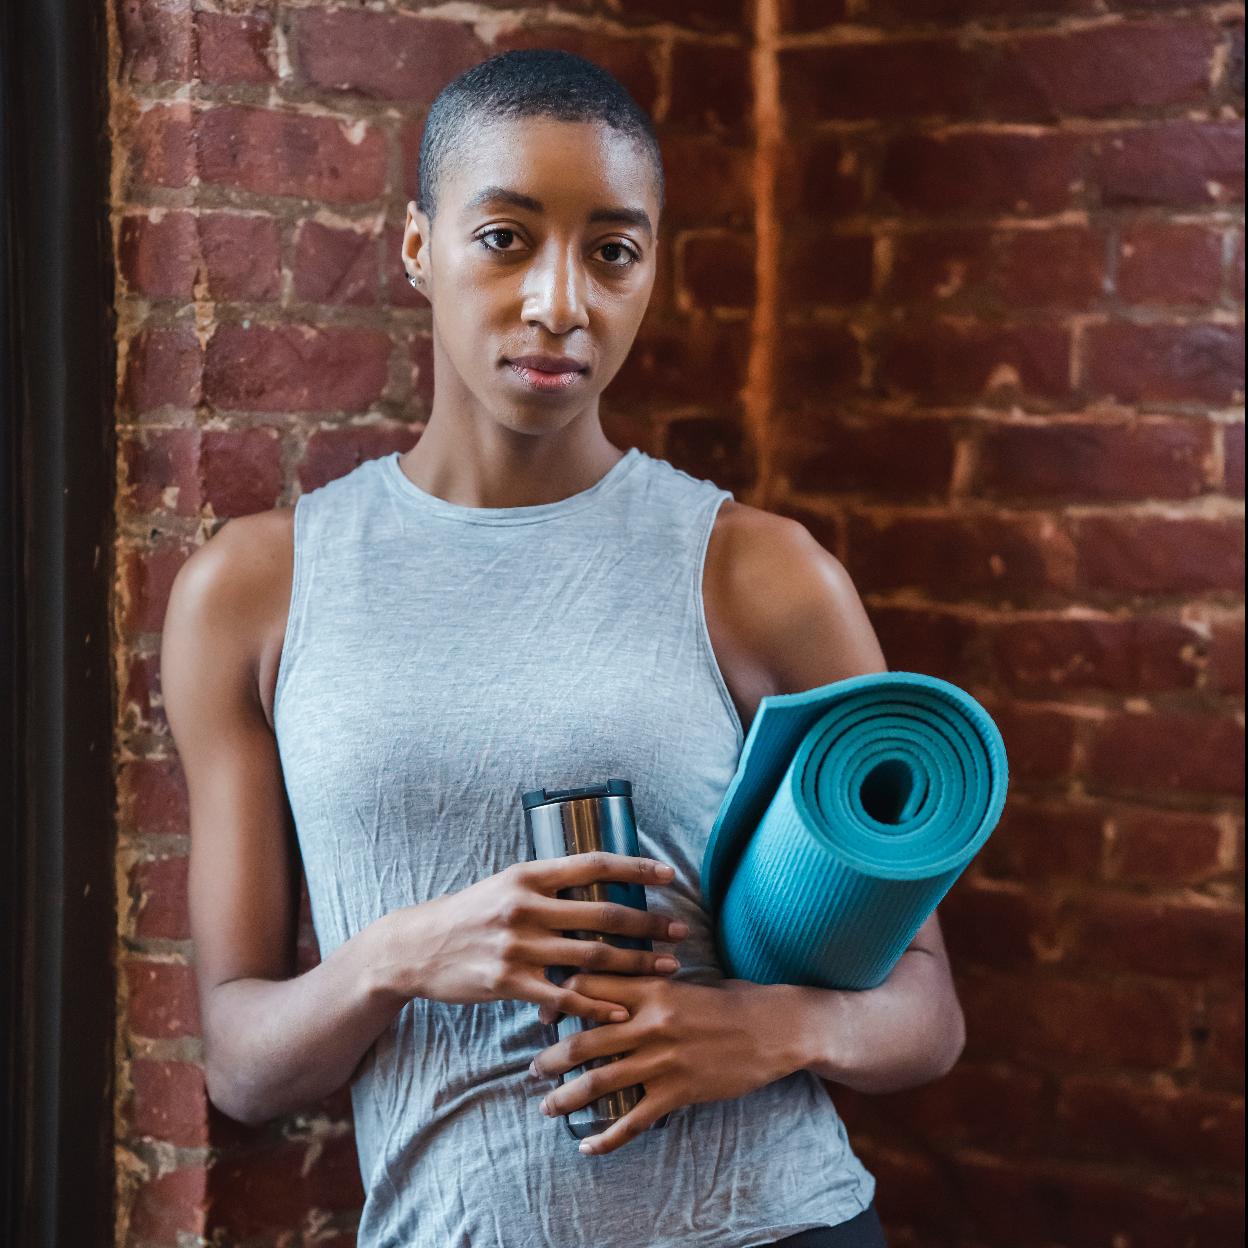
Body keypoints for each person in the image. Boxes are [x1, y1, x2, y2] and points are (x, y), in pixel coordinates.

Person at [162, 48, 964, 1248]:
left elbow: (928, 1013)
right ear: (419, 247)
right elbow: (241, 1065)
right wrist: (402, 955)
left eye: (611, 251)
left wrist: (770, 1031)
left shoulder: (761, 574)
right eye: (505, 238)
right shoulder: (256, 591)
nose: (560, 303)